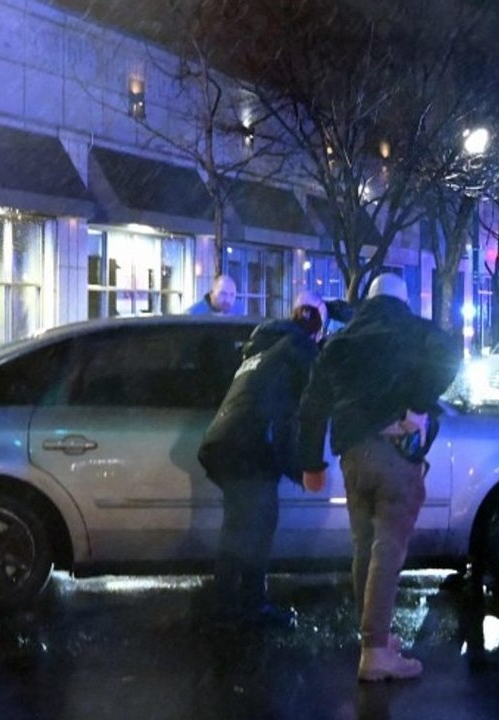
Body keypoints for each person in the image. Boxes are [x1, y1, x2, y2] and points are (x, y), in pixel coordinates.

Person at [298, 273, 461, 682]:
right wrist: (417, 406)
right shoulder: (413, 330)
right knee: (388, 553)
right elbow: (448, 354)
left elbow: (313, 407)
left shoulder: (339, 342)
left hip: (353, 454)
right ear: (403, 300)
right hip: (394, 454)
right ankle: (375, 652)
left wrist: (311, 464)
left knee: (364, 549)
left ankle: (374, 639)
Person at [197, 290, 327, 629]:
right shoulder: (301, 349)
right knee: (255, 525)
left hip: (222, 443)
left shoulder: (262, 348)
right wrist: (301, 469)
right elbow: (290, 417)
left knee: (241, 525)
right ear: (317, 331)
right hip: (249, 447)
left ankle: (232, 604)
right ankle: (241, 608)